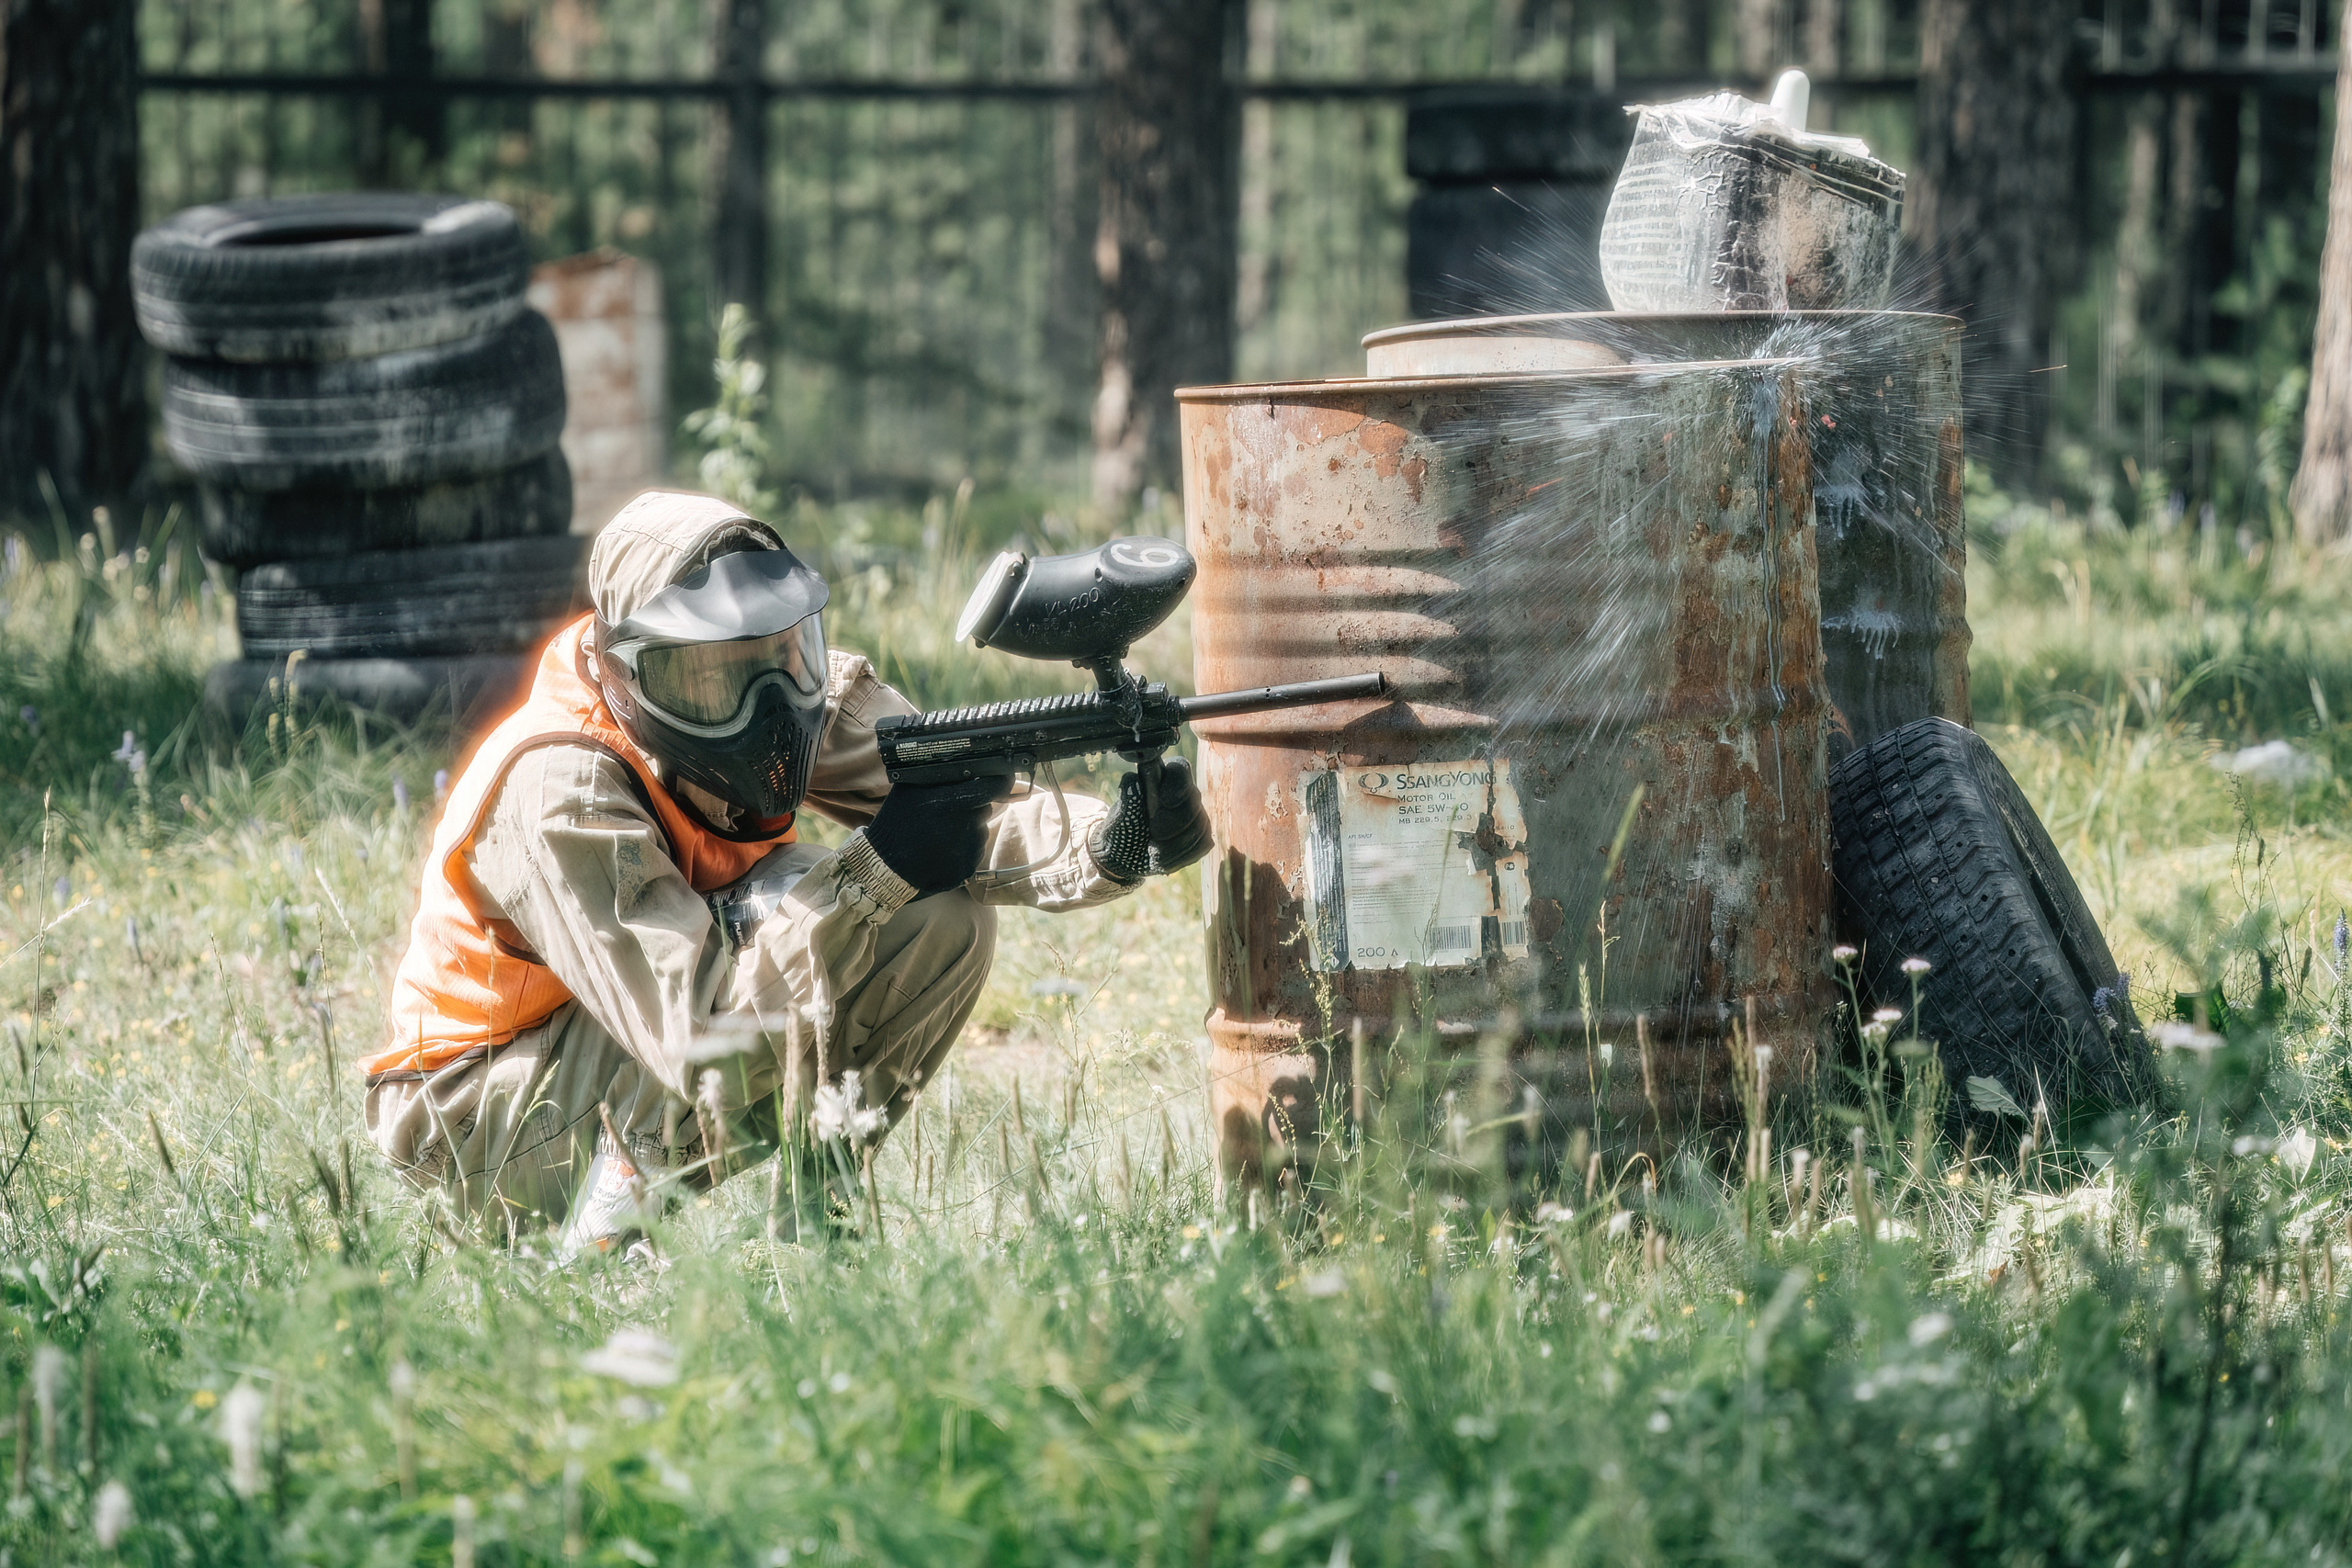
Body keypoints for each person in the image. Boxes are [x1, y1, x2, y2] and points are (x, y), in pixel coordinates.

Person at [363, 490, 1209, 1251]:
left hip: (632, 1043)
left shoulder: (803, 693)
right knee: (834, 906)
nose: (767, 700)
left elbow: (965, 801)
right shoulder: (557, 787)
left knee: (940, 914)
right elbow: (696, 1043)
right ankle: (602, 1260)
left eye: (782, 652)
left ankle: (814, 1238)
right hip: (475, 1120)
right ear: (631, 675)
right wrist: (872, 872)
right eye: (713, 675)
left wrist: (1111, 842)